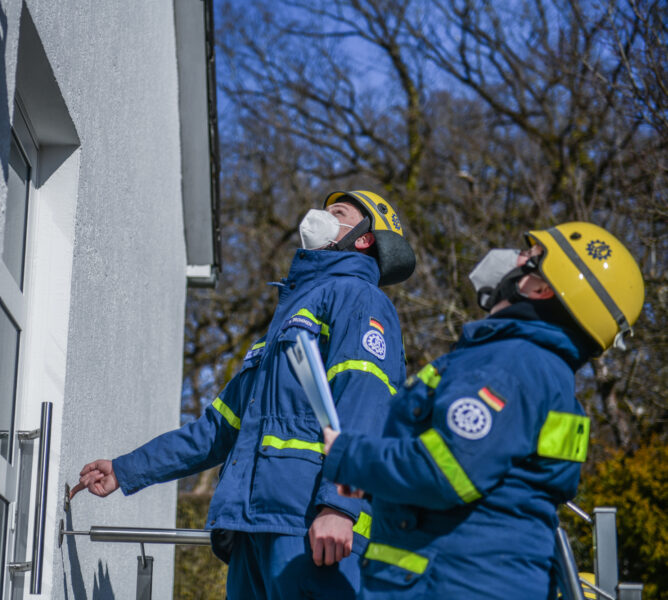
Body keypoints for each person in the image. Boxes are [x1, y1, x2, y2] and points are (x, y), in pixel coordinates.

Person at [70, 191, 416, 599]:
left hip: (309, 525)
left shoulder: (359, 299)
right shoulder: (286, 322)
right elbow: (215, 430)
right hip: (253, 525)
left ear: (364, 238)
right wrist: (126, 470)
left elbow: (365, 403)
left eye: (336, 213)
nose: (319, 217)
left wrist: (339, 507)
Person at [321, 222, 645, 599]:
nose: (516, 258)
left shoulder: (510, 365)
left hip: (446, 584)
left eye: (532, 257)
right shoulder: (541, 371)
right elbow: (499, 483)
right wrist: (378, 482)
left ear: (542, 288)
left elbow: (447, 471)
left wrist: (350, 456)